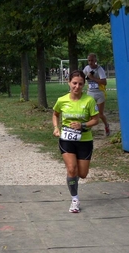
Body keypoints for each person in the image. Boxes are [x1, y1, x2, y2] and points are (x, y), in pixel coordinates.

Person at [52, 70, 99, 213]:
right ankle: (75, 199)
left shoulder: (89, 100)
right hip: (67, 139)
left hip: (84, 140)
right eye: (74, 83)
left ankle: (73, 181)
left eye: (80, 84)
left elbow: (95, 120)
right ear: (69, 82)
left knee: (82, 173)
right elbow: (55, 114)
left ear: (84, 85)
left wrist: (82, 125)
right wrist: (56, 127)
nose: (77, 87)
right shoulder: (62, 100)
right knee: (71, 169)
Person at [83, 53, 110, 136]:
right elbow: (82, 76)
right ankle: (87, 129)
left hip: (99, 93)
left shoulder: (99, 69)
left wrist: (93, 78)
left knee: (100, 114)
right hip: (90, 93)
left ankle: (106, 126)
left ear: (95, 61)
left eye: (92, 60)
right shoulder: (86, 68)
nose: (90, 62)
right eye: (89, 60)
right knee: (88, 113)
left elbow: (104, 82)